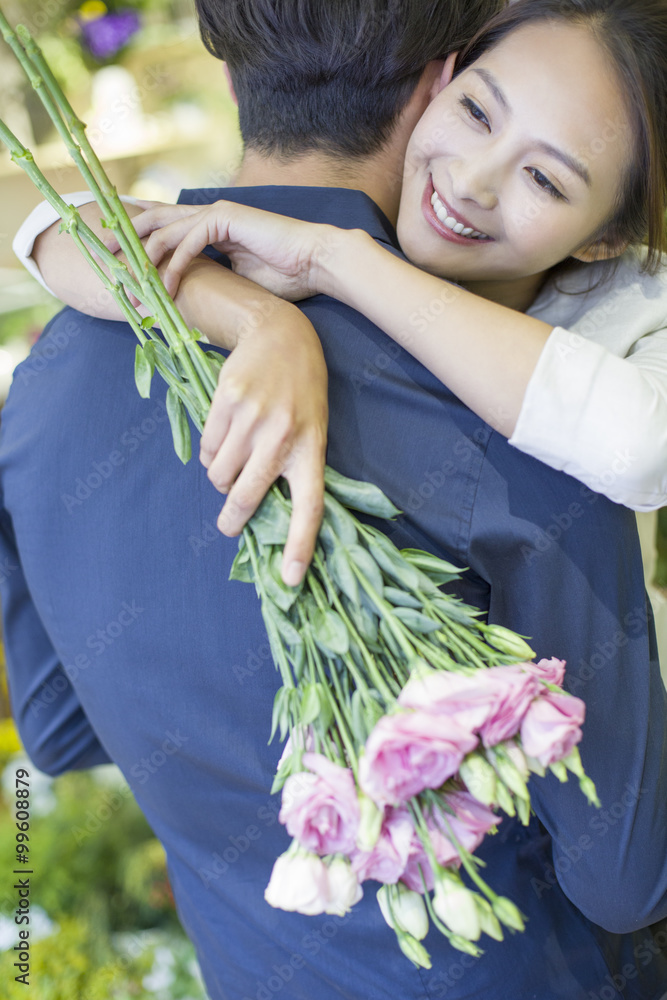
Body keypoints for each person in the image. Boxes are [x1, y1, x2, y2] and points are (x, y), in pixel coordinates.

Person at [1, 1, 667, 997]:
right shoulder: (525, 422)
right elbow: (627, 875)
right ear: (436, 86)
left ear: (227, 66)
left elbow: (56, 725)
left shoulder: (44, 386)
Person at [16, 1, 667, 595]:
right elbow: (53, 229)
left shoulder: (643, 303)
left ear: (606, 237)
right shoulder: (344, 227)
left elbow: (638, 450)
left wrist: (333, 259)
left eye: (543, 179)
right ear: (435, 85)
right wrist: (261, 322)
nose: (471, 181)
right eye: (475, 111)